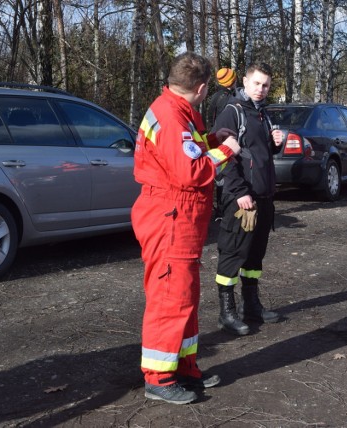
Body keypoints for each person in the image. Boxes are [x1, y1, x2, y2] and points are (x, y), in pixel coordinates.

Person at [131, 52, 241, 405]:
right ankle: (160, 378)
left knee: (186, 296)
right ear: (203, 87)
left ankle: (183, 367)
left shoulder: (176, 110)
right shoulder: (171, 115)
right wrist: (225, 150)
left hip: (178, 217)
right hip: (170, 216)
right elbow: (189, 171)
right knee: (171, 298)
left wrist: (210, 139)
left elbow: (186, 151)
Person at [212, 62, 285, 336]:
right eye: (256, 83)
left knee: (255, 256)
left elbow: (258, 155)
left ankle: (250, 305)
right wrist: (239, 192)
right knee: (233, 253)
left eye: (265, 85)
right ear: (244, 81)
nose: (261, 89)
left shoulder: (261, 113)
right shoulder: (232, 112)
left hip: (263, 197)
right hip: (241, 199)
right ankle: (226, 312)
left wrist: (274, 142)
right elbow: (225, 155)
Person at [206, 67, 238, 220]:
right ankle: (224, 209)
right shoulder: (233, 97)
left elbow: (210, 118)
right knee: (228, 173)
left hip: (216, 136)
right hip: (228, 139)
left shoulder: (214, 97)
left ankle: (220, 208)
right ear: (232, 80)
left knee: (220, 176)